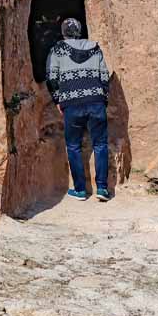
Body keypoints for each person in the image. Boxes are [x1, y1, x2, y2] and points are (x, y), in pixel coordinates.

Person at [45, 18, 111, 202]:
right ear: (80, 30)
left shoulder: (57, 50)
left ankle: (80, 190)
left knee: (73, 146)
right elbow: (104, 75)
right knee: (100, 145)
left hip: (71, 103)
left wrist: (58, 99)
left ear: (63, 32)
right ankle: (102, 189)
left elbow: (51, 76)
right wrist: (102, 98)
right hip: (95, 101)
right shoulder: (95, 47)